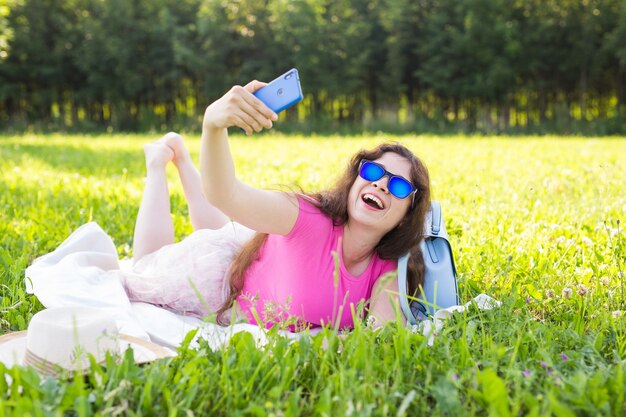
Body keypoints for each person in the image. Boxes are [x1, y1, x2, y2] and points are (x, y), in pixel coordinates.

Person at [124, 80, 431, 332]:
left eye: (399, 185)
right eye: (373, 172)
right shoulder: (309, 217)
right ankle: (157, 163)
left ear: (408, 214)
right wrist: (213, 126)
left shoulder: (389, 267)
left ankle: (180, 154)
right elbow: (225, 194)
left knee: (217, 229)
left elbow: (382, 336)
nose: (380, 184)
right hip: (221, 279)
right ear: (355, 180)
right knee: (146, 265)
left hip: (261, 258)